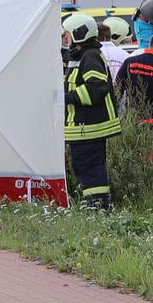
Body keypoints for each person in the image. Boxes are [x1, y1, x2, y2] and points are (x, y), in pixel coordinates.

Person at [62, 13, 121, 211]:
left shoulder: (91, 56)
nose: (65, 38)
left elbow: (96, 89)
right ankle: (95, 205)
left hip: (90, 127)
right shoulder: (80, 56)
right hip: (83, 128)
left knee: (90, 167)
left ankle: (99, 206)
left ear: (78, 34)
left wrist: (67, 97)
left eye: (68, 34)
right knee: (84, 166)